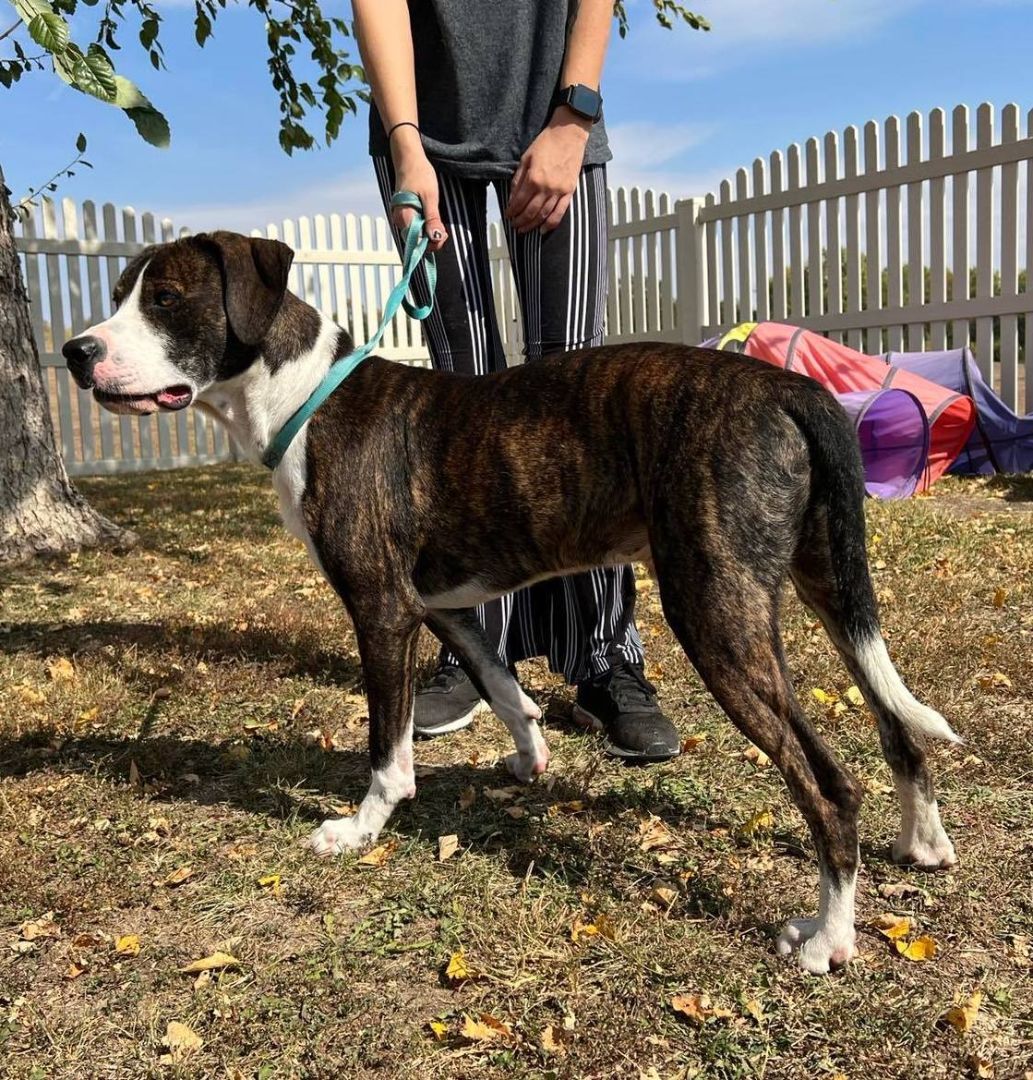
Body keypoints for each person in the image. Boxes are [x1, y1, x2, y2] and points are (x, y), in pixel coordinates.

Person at [352, 0, 680, 761]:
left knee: (579, 410)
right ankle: (476, 652)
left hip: (554, 120)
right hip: (420, 144)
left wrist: (575, 119)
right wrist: (404, 148)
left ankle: (603, 657)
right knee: (459, 404)